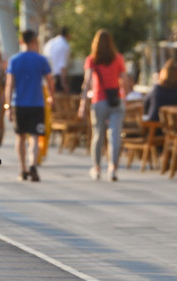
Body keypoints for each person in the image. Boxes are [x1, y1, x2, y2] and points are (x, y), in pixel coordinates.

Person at [5, 30, 54, 182]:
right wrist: (52, 96)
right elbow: (49, 80)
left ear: (21, 42)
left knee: (20, 137)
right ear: (34, 41)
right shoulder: (41, 60)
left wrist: (8, 106)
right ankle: (33, 164)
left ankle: (22, 169)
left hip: (19, 103)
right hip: (37, 103)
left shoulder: (14, 60)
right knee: (35, 136)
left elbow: (9, 84)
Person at [78, 29, 127, 181]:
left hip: (99, 100)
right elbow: (124, 80)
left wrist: (82, 104)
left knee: (98, 135)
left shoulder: (91, 59)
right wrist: (124, 96)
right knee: (114, 135)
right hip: (116, 100)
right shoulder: (118, 58)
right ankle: (112, 168)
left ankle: (96, 167)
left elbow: (87, 83)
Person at [43, 27, 70, 92]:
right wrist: (64, 84)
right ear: (68, 34)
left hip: (47, 78)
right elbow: (62, 66)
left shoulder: (49, 43)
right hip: (58, 80)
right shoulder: (64, 45)